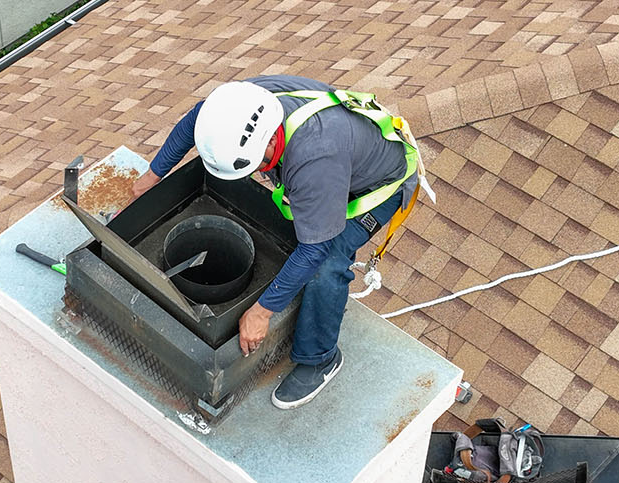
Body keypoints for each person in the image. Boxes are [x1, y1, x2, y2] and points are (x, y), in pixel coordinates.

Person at [132, 75, 420, 408]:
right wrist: (149, 178)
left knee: (326, 264)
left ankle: (320, 360)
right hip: (342, 159)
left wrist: (261, 311)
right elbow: (192, 124)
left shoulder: (314, 159)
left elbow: (315, 249)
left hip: (377, 185)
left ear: (269, 145)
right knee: (305, 235)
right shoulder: (240, 105)